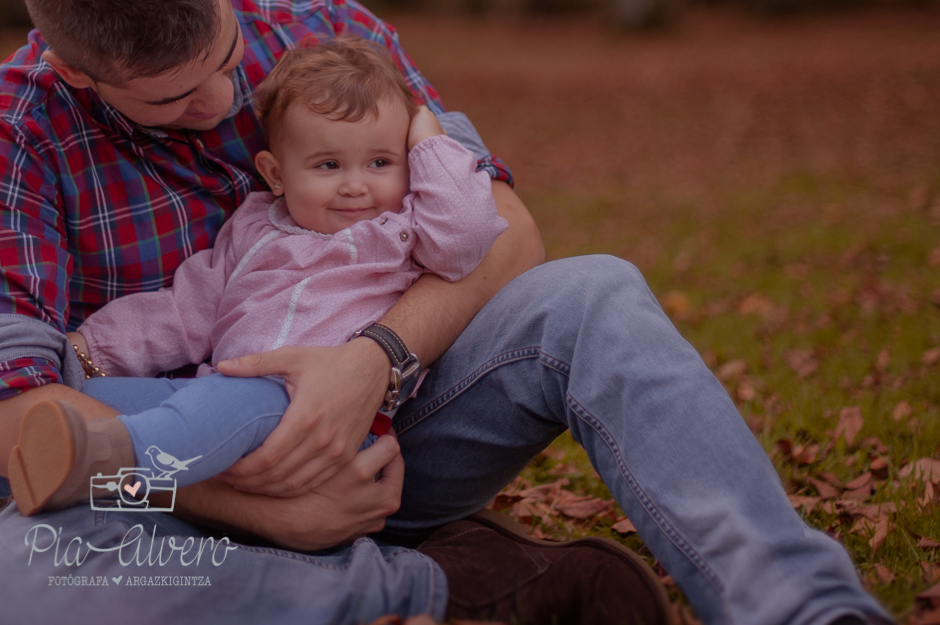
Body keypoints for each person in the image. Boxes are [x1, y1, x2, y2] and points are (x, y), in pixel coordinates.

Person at [0, 1, 893, 624]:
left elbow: (506, 232)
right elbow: (20, 428)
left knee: (596, 291)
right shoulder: (19, 132)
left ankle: (806, 607)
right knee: (20, 574)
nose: (224, 100)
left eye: (228, 59)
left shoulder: (328, 32)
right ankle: (444, 586)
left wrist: (371, 360)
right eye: (170, 95)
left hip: (392, 433)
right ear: (76, 70)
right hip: (170, 481)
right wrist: (250, 506)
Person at [6, 37, 509, 517]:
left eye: (381, 162)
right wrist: (84, 352)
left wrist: (428, 141)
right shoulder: (253, 228)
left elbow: (467, 239)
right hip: (217, 394)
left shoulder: (405, 230)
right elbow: (183, 311)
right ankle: (59, 463)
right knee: (82, 409)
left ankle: (112, 466)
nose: (357, 186)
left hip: (323, 415)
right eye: (329, 164)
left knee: (215, 409)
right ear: (275, 175)